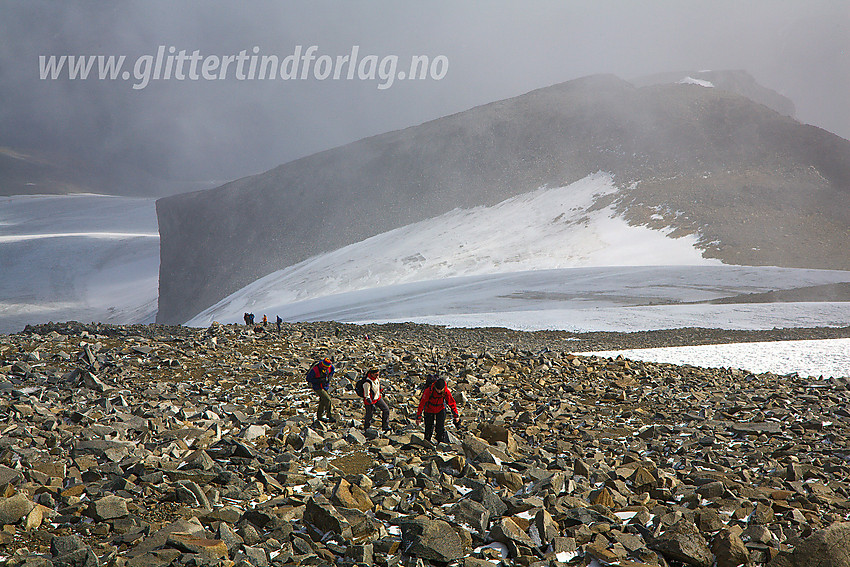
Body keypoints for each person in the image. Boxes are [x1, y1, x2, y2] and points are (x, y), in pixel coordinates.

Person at [416, 377, 460, 444]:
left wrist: (456, 415)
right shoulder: (428, 391)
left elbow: (451, 403)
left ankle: (440, 444)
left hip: (440, 409)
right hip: (429, 410)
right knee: (428, 428)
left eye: (440, 390)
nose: (439, 391)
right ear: (435, 387)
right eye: (437, 389)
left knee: (440, 428)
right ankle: (427, 443)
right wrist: (418, 417)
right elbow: (422, 404)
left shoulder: (446, 392)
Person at [305, 357, 336, 423]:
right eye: (325, 367)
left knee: (322, 400)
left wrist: (329, 379)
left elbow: (332, 371)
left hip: (325, 386)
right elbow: (308, 378)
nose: (326, 368)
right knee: (327, 399)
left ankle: (319, 416)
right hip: (317, 387)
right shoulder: (315, 369)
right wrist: (319, 380)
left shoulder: (330, 367)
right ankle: (330, 416)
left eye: (327, 367)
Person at [362, 367, 390, 432]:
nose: (377, 376)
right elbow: (366, 393)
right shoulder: (367, 382)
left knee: (386, 409)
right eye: (376, 374)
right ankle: (366, 428)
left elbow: (378, 386)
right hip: (370, 400)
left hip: (377, 397)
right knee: (369, 415)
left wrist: (381, 391)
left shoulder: (376, 379)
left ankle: (385, 426)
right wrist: (369, 400)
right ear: (371, 374)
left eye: (378, 374)